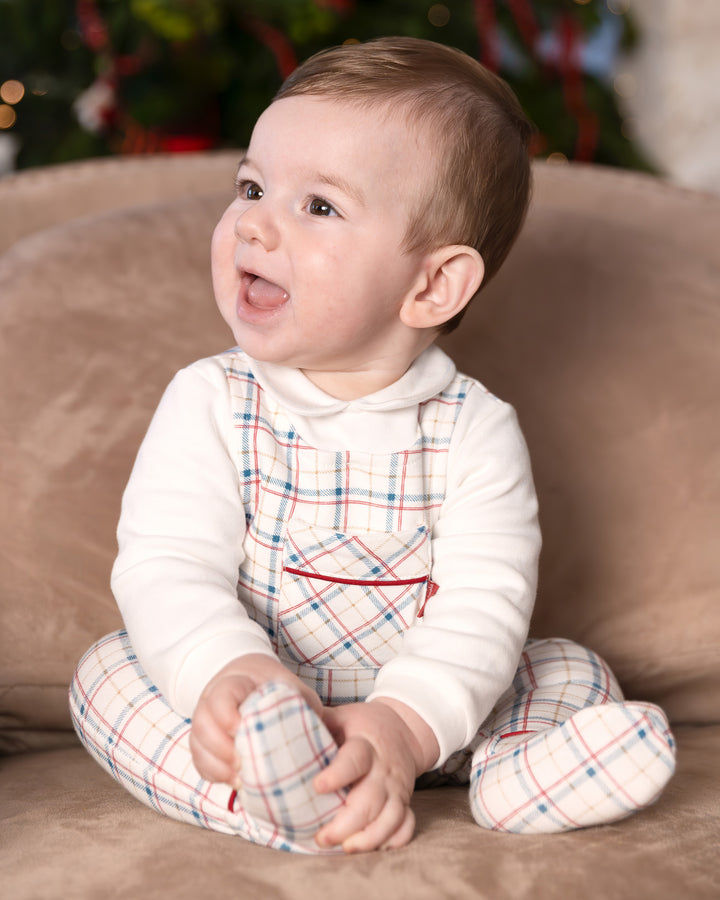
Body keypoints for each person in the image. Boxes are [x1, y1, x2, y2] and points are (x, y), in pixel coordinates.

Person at [69, 37, 676, 855]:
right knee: (106, 674)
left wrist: (400, 727)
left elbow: (482, 605)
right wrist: (226, 676)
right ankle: (274, 804)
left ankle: (515, 780)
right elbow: (166, 564)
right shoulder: (211, 400)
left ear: (431, 285)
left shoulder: (474, 429)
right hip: (255, 718)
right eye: (251, 186)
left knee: (567, 668)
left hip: (432, 724)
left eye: (317, 206)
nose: (253, 221)